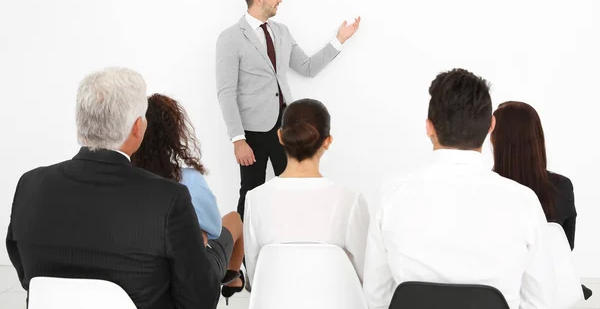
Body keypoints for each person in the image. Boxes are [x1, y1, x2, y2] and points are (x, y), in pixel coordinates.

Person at [6, 68, 219, 309]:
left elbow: (26, 274)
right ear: (138, 127)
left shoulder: (30, 185)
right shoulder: (169, 198)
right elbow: (200, 300)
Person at [363, 69, 555, 309]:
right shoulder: (524, 201)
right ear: (491, 125)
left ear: (429, 127)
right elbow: (542, 302)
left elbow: (375, 296)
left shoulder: (391, 197)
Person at [216, 0, 361, 219]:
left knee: (295, 188)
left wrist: (339, 40)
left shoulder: (281, 32)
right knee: (251, 194)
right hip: (252, 132)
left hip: (286, 127)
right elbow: (226, 92)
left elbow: (307, 67)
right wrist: (238, 140)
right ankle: (245, 257)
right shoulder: (230, 38)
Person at [131, 94, 246, 302]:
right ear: (174, 135)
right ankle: (233, 278)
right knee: (235, 220)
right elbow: (214, 228)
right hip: (192, 274)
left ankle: (233, 279)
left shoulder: (124, 177)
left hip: (142, 274)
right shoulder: (189, 180)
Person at [243, 98, 370, 284]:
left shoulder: (254, 199)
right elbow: (366, 274)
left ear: (279, 136)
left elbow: (256, 277)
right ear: (327, 141)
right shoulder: (350, 200)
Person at [492, 101, 592, 300]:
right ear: (537, 137)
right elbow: (564, 249)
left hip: (498, 293)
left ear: (496, 140)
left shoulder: (486, 189)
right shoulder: (562, 187)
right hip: (550, 295)